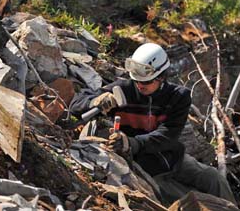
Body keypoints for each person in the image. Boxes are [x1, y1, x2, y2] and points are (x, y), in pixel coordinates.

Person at [71, 42, 237, 205]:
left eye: (146, 82)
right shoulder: (123, 89)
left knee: (214, 179)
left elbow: (167, 136)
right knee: (189, 199)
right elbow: (76, 104)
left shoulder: (178, 97)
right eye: (137, 81)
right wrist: (94, 102)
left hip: (174, 159)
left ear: (162, 76)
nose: (140, 85)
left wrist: (133, 143)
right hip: (144, 166)